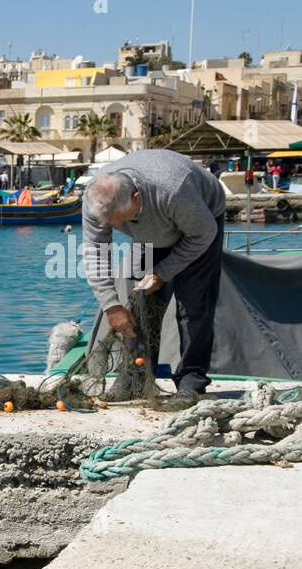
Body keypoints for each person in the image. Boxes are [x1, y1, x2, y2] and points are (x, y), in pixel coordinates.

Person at [82, 149, 226, 407]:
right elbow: (95, 252)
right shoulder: (96, 199)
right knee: (137, 301)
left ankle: (191, 381)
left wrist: (163, 272)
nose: (115, 228)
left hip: (200, 225)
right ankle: (136, 379)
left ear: (136, 198)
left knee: (194, 305)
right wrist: (111, 305)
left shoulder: (172, 189)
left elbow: (203, 234)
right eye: (110, 224)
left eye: (119, 222)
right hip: (149, 234)